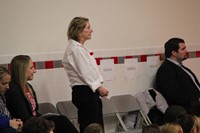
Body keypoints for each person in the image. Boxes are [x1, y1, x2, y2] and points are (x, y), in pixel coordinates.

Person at [5, 55, 79, 133]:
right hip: (28, 126)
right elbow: (24, 117)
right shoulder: (13, 90)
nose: (34, 70)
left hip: (35, 122)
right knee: (61, 122)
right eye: (31, 68)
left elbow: (35, 111)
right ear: (22, 70)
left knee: (61, 119)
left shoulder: (28, 86)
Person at [62, 17, 109, 133]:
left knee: (96, 126)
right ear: (79, 31)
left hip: (89, 92)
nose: (91, 30)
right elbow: (85, 72)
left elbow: (90, 70)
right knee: (91, 127)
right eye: (88, 27)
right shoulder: (75, 50)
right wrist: (99, 87)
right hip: (84, 93)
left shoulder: (81, 49)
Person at [155, 38, 200, 112]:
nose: (186, 51)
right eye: (183, 49)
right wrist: (196, 101)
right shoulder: (166, 70)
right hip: (186, 111)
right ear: (174, 53)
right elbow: (174, 95)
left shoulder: (180, 67)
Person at [0, 66, 23, 133]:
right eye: (4, 83)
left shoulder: (2, 96)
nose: (8, 87)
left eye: (8, 83)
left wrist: (15, 122)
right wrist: (9, 122)